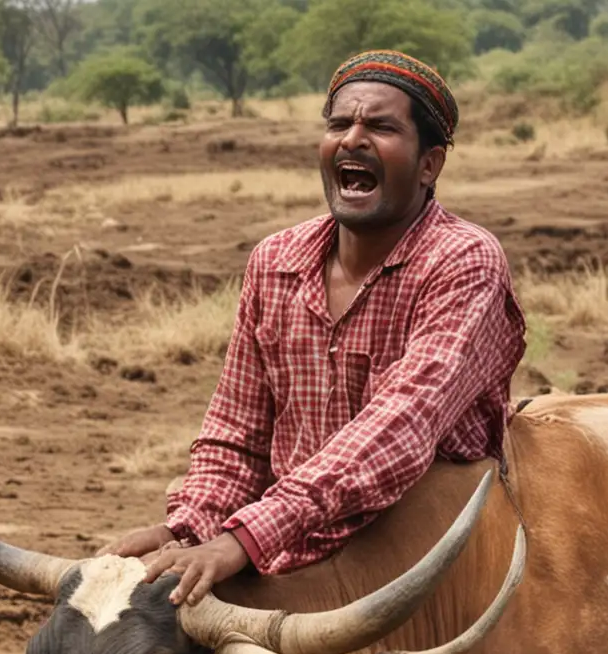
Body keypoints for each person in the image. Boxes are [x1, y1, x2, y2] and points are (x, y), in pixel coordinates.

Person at [107, 50, 526, 606]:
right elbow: (237, 435)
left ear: (430, 165)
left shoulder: (464, 261)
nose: (352, 139)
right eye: (338, 124)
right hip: (291, 548)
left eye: (380, 126)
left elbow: (400, 430)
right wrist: (188, 530)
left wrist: (243, 540)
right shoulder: (275, 260)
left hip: (431, 564)